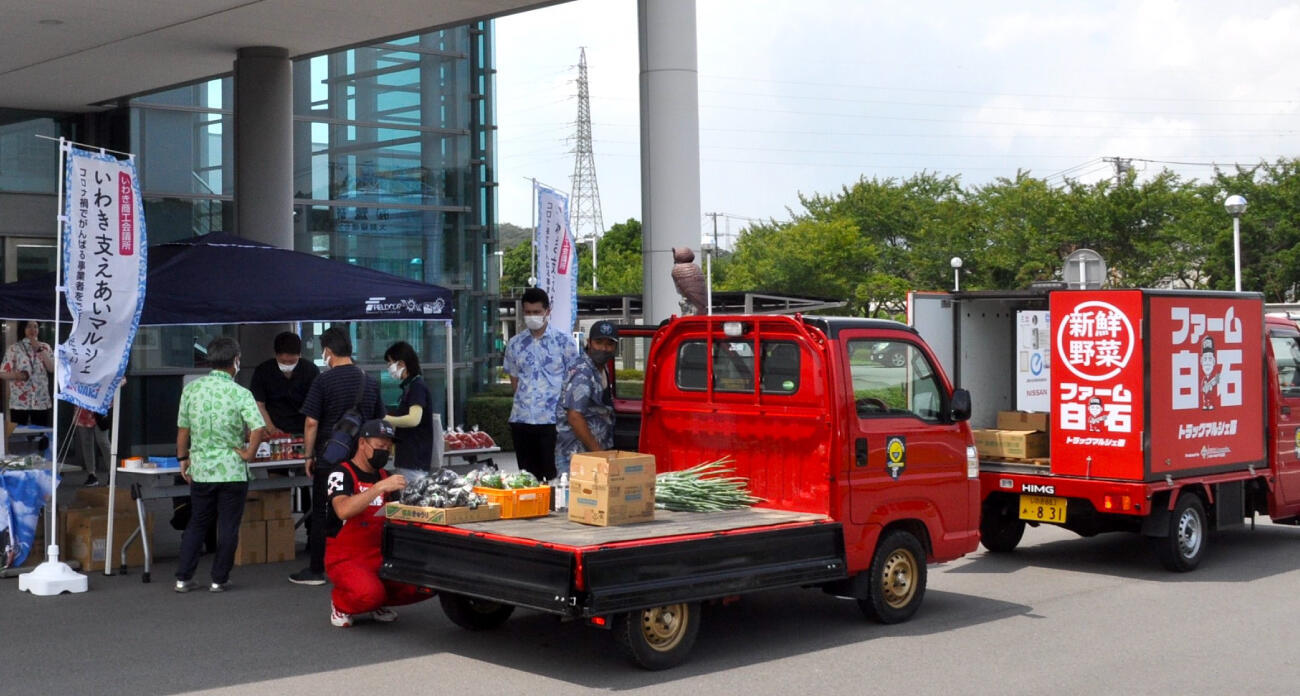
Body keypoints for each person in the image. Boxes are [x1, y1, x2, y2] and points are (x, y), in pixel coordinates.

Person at [291, 327, 386, 586]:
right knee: (360, 510)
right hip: (361, 460)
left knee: (324, 511)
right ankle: (357, 562)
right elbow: (380, 421)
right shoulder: (370, 381)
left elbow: (311, 422)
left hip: (330, 458)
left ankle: (317, 569)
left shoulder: (323, 381)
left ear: (328, 352)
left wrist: (308, 455)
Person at [174, 337, 265, 593]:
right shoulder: (240, 393)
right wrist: (248, 454)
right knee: (228, 525)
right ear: (236, 360)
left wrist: (183, 459)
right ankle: (218, 579)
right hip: (233, 469)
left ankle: (183, 578)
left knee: (198, 522)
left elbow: (183, 430)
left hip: (201, 469)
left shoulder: (192, 390)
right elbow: (258, 427)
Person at [324, 419, 427, 627]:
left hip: (379, 553)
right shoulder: (341, 473)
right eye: (380, 446)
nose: (385, 451)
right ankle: (342, 603)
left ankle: (377, 600)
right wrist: (379, 488)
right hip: (346, 558)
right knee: (368, 594)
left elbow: (398, 513)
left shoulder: (385, 476)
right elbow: (343, 510)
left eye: (388, 447)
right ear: (362, 443)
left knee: (426, 584)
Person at [503, 287, 579, 481]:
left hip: (552, 421)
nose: (532, 316)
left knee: (552, 476)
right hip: (522, 419)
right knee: (527, 478)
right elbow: (514, 379)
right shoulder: (515, 344)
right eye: (527, 312)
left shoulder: (564, 342)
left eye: (536, 312)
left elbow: (573, 380)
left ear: (547, 311)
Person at [554, 320, 619, 476]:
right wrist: (598, 452)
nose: (603, 348)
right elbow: (575, 416)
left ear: (615, 347)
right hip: (577, 455)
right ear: (589, 343)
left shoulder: (600, 369)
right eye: (598, 342)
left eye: (609, 344)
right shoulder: (583, 373)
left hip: (592, 453)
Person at [250, 331, 319, 437]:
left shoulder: (311, 370)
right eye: (282, 361)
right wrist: (271, 429)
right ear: (276, 355)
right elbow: (258, 404)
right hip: (273, 429)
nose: (287, 365)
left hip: (304, 429)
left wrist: (309, 431)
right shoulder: (263, 370)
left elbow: (315, 405)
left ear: (299, 355)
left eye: (291, 362)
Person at [382, 341, 433, 480]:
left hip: (414, 460)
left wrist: (386, 419)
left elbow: (413, 419)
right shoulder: (409, 387)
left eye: (390, 363)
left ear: (402, 364)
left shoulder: (417, 386)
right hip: (407, 458)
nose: (388, 368)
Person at [0, 321, 54, 426]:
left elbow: (51, 369)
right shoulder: (14, 348)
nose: (33, 329)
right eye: (29, 326)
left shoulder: (45, 347)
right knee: (18, 433)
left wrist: (40, 349)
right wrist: (17, 375)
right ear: (23, 329)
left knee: (40, 435)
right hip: (19, 401)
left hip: (41, 400)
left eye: (36, 327)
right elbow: (2, 373)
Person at [74, 406, 111, 486]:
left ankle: (112, 473)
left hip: (100, 409)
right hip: (83, 409)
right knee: (86, 442)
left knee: (103, 441)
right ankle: (91, 474)